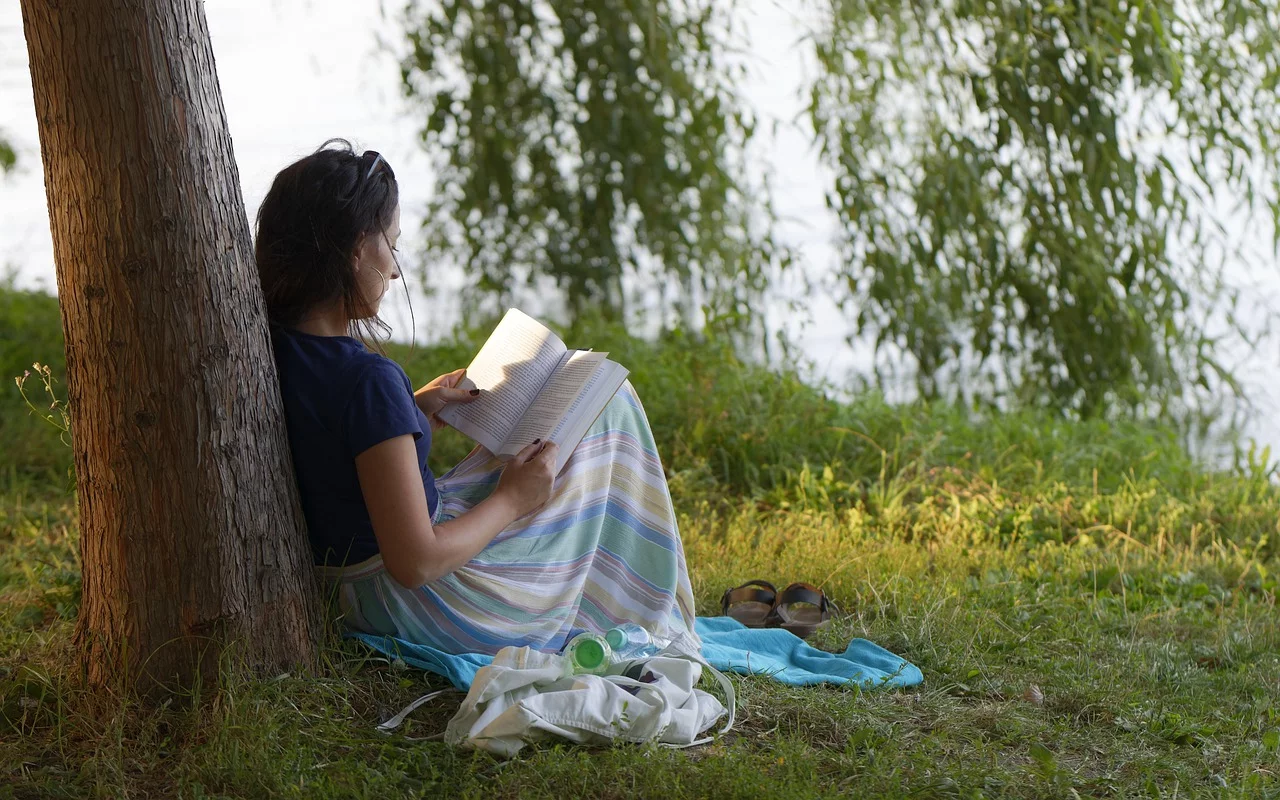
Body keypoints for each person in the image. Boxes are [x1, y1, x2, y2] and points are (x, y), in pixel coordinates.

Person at [254, 139, 698, 655]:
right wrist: (513, 500)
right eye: (391, 246)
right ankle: (643, 601)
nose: (395, 269)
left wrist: (411, 412)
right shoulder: (366, 381)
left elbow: (330, 446)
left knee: (558, 442)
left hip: (349, 589)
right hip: (424, 606)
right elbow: (415, 562)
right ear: (356, 250)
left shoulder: (272, 345)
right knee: (608, 406)